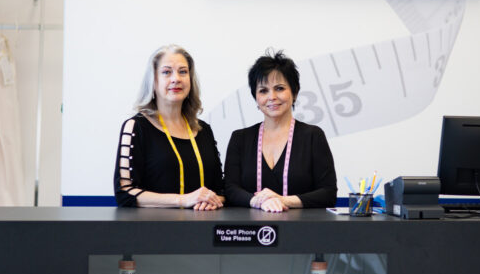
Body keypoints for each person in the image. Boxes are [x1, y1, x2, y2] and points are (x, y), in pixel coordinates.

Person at [224, 50, 337, 212]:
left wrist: (282, 200)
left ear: (295, 92)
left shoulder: (313, 136)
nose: (272, 97)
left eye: (279, 88)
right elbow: (230, 189)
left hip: (303, 230)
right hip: (249, 231)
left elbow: (328, 193)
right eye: (263, 90)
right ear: (255, 97)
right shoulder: (240, 138)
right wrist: (258, 201)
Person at [113, 45, 224, 209]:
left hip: (202, 230)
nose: (176, 79)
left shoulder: (204, 130)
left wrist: (213, 202)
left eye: (183, 72)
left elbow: (221, 191)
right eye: (166, 72)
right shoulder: (136, 127)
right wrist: (184, 200)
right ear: (153, 80)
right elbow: (126, 192)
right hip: (156, 231)